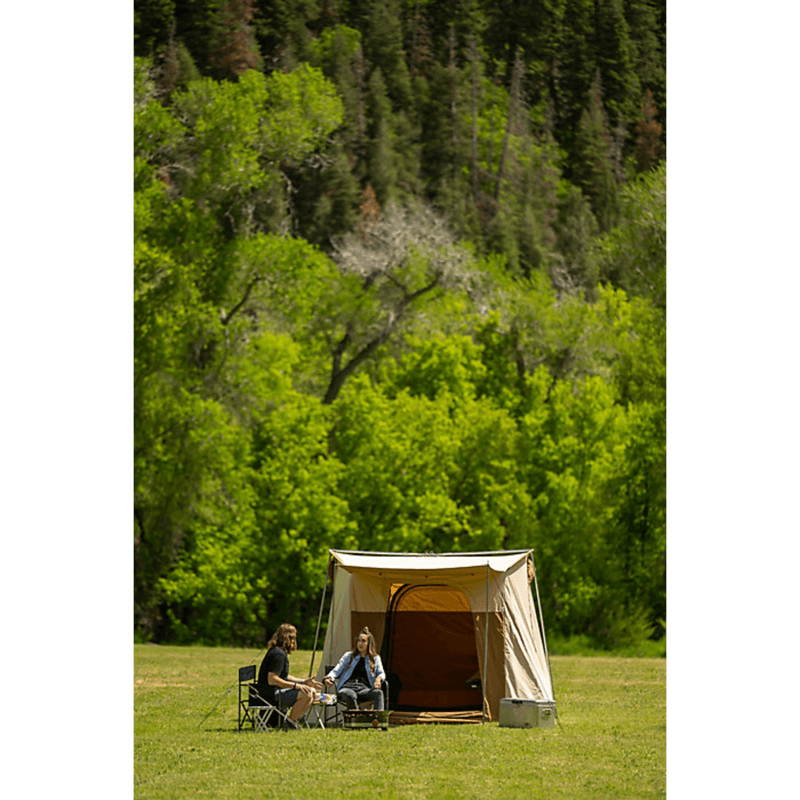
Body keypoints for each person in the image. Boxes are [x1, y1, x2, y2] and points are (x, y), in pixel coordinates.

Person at [257, 622, 333, 726]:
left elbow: (284, 676)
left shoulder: (278, 652)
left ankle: (292, 721)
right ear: (288, 638)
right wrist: (297, 686)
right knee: (307, 695)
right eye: (293, 638)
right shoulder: (278, 655)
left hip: (272, 692)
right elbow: (272, 679)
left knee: (311, 692)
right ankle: (290, 723)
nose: (294, 641)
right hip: (270, 695)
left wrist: (303, 682)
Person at [323, 627, 386, 711]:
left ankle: (378, 720)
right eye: (358, 641)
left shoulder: (375, 658)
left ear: (369, 643)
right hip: (347, 687)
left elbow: (381, 673)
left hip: (363, 690)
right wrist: (329, 678)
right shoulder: (349, 656)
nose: (360, 643)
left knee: (378, 693)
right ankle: (356, 718)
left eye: (363, 641)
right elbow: (336, 670)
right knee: (350, 694)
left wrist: (378, 679)